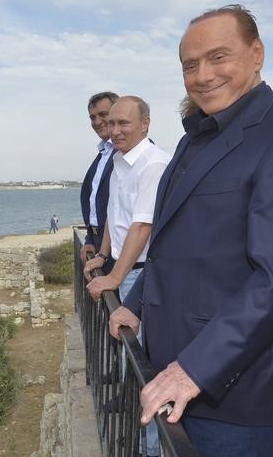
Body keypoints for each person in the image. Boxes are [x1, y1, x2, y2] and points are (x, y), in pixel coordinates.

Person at [109, 5, 273, 456]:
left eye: (219, 57)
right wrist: (134, 304)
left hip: (239, 397)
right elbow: (170, 244)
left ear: (257, 54)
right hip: (172, 373)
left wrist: (193, 369)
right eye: (190, 65)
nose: (202, 75)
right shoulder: (193, 139)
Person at [83, 96, 169, 457]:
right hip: (123, 269)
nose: (114, 130)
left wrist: (114, 277)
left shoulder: (154, 164)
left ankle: (148, 448)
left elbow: (142, 226)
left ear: (145, 124)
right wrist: (103, 254)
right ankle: (135, 440)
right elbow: (113, 216)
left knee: (142, 369)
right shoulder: (120, 160)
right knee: (127, 367)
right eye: (111, 124)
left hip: (140, 276)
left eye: (123, 124)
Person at [79, 92, 119, 262]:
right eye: (92, 117)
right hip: (98, 244)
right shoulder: (103, 154)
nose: (96, 122)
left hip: (119, 248)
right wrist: (90, 238)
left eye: (103, 114)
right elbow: (93, 199)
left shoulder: (131, 151)